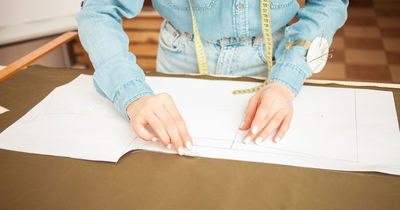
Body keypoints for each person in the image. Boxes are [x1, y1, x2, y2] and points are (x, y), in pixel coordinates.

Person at [77, 0, 348, 156]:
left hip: (273, 59)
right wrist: (132, 94)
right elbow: (99, 10)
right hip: (181, 56)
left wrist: (287, 79)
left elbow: (328, 3)